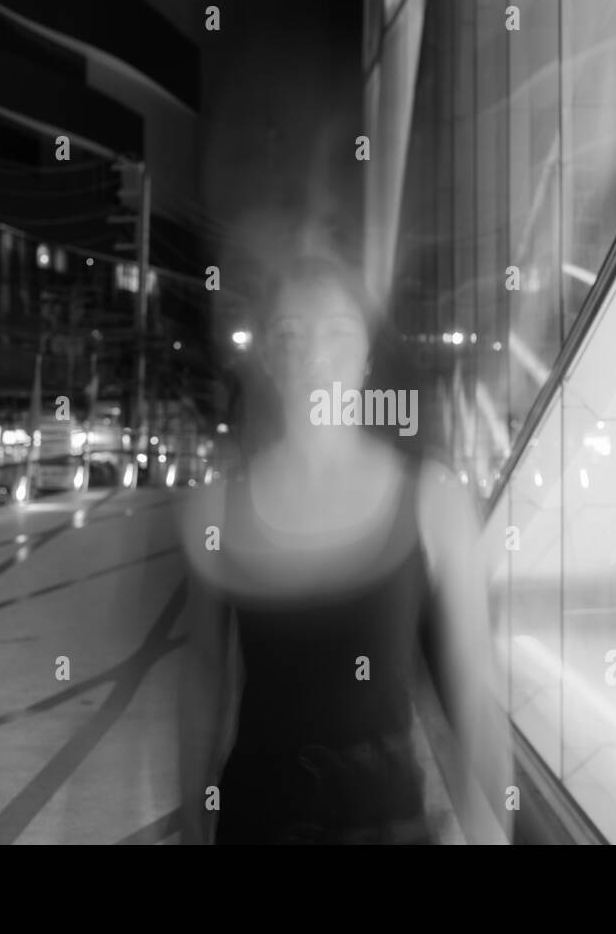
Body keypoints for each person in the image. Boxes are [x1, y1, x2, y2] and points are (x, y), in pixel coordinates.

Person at [176, 253, 511, 844]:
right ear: (267, 357)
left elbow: (473, 687)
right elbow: (204, 677)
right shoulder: (215, 511)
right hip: (257, 823)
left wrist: (489, 828)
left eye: (336, 331)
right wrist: (191, 816)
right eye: (289, 334)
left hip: (387, 825)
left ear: (367, 355)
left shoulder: (431, 501)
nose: (312, 355)